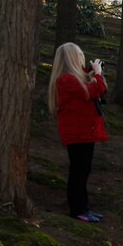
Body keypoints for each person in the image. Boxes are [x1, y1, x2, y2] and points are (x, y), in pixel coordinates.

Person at [48, 43, 108, 222]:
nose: (82, 58)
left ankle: (84, 207)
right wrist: (97, 73)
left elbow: (96, 90)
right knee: (79, 171)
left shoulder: (74, 78)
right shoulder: (67, 80)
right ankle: (77, 209)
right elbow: (95, 90)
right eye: (80, 55)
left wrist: (93, 73)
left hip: (83, 132)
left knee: (83, 169)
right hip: (77, 133)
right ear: (73, 58)